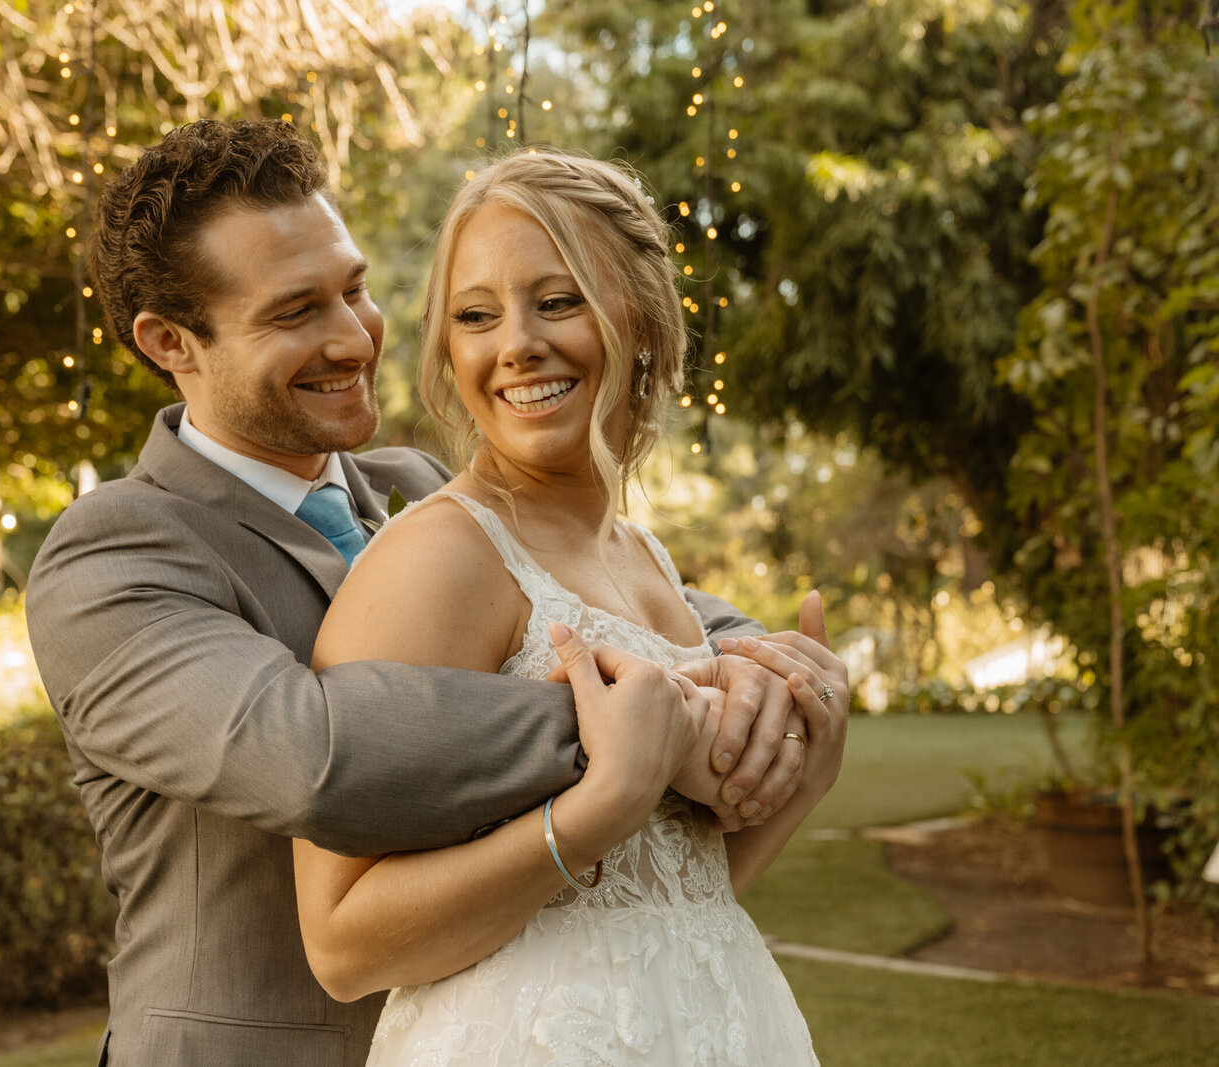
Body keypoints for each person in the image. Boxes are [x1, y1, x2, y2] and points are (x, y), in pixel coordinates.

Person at [26, 119, 838, 1066]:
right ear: (172, 342)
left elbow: (656, 616)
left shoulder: (413, 482)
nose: (351, 336)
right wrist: (652, 735)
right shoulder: (114, 551)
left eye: (356, 289)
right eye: (296, 313)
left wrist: (775, 686)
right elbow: (313, 752)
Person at [293, 150, 848, 1064]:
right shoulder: (439, 557)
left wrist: (812, 768)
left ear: (640, 313)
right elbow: (343, 944)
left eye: (557, 301)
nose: (515, 344)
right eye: (477, 316)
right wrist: (598, 807)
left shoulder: (648, 560)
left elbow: (681, 891)